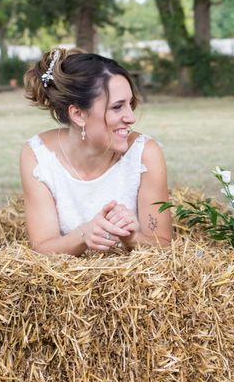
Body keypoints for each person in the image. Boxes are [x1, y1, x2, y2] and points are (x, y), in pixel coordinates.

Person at [20, 48, 172, 255]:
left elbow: (163, 243)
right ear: (78, 114)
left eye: (130, 105)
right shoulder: (38, 156)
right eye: (117, 107)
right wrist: (83, 234)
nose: (131, 118)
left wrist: (132, 237)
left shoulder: (146, 153)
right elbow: (42, 247)